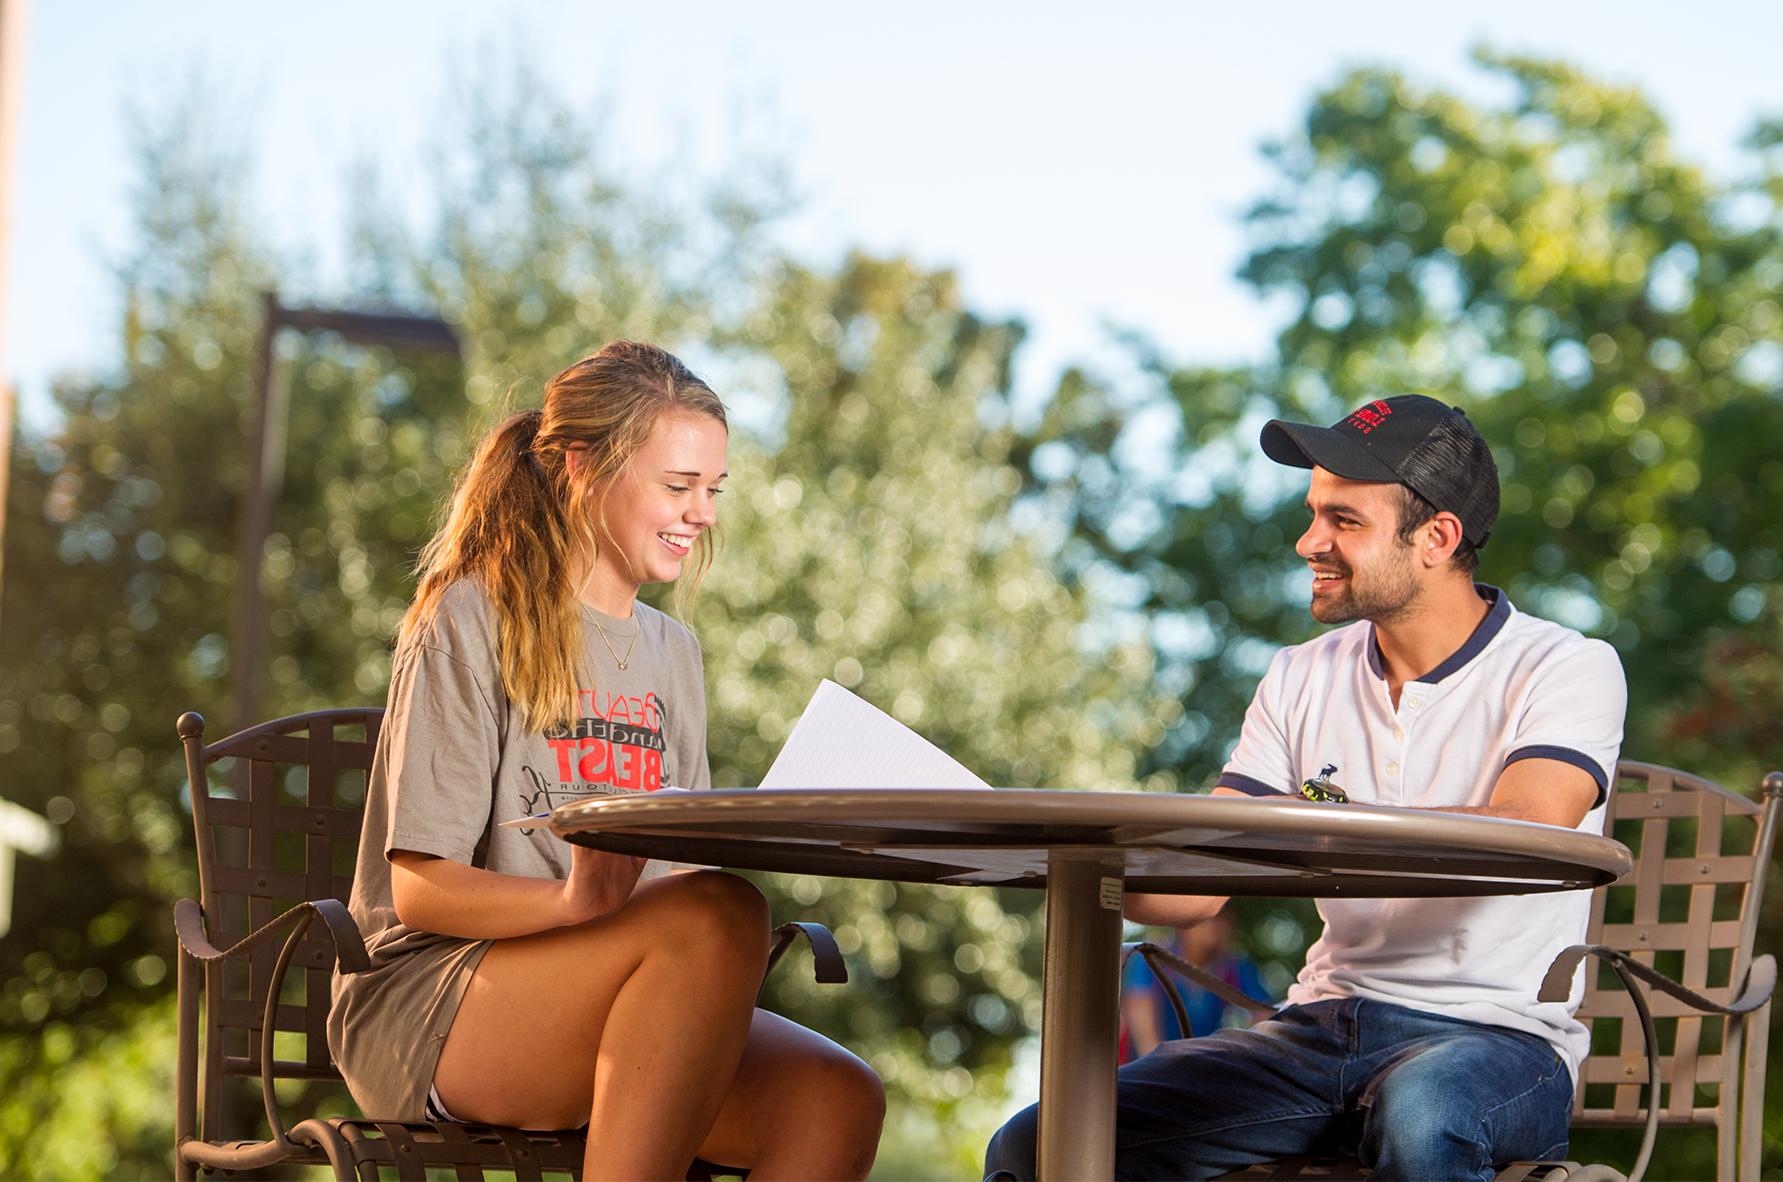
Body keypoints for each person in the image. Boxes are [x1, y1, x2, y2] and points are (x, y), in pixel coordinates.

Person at [987, 394, 1626, 1181]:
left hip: (1496, 1038)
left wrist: (1311, 827)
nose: (1308, 542)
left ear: (1437, 537)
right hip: (1318, 1030)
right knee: (1036, 1144)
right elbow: (1201, 883)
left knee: (1422, 1115)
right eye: (1313, 512)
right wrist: (1069, 862)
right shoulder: (1299, 674)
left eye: (1344, 521)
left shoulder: (1566, 666)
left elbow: (1528, 831)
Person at [329, 340, 885, 1179]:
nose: (700, 513)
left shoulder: (675, 653)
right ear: (583, 468)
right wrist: (570, 903)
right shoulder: (471, 616)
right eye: (676, 485)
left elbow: (674, 879)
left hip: (611, 983)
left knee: (837, 1096)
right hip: (436, 1003)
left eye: (711, 490)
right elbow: (418, 889)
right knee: (720, 913)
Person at [1118, 908, 1269, 1062]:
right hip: (1144, 1069)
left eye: (1223, 917)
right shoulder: (1151, 961)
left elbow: (1265, 1016)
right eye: (1207, 918)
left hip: (1202, 1067)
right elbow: (1145, 1038)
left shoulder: (1235, 969)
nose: (1216, 926)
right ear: (1182, 923)